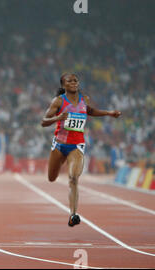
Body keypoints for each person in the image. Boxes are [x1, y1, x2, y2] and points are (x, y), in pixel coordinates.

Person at [41, 73, 121, 227]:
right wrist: (57, 118)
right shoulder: (58, 101)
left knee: (73, 179)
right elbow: (44, 121)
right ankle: (62, 161)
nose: (73, 82)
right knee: (52, 178)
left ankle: (73, 214)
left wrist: (108, 113)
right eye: (69, 81)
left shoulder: (85, 99)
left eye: (75, 80)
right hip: (59, 144)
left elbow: (90, 111)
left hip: (76, 145)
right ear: (64, 85)